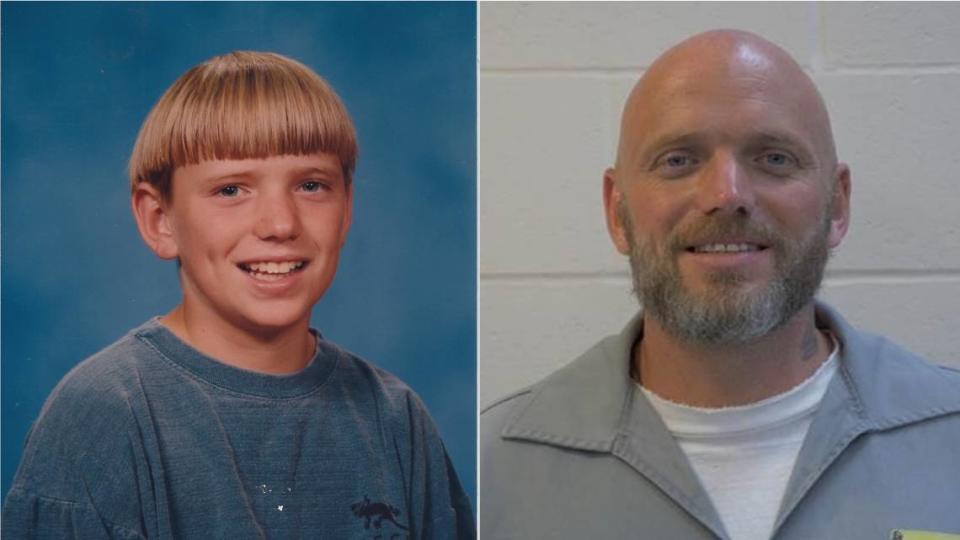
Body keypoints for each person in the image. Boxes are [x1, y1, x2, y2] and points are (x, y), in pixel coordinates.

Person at [480, 30, 960, 539]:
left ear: (837, 205)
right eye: (679, 160)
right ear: (616, 211)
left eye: (774, 158)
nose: (726, 195)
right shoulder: (493, 465)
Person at [3, 51, 474, 539]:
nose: (280, 224)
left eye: (312, 185)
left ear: (347, 208)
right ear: (159, 220)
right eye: (231, 190)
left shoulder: (395, 419)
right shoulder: (104, 416)